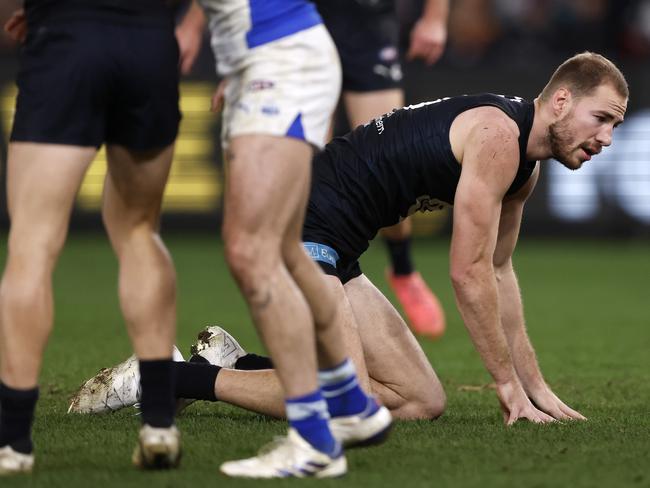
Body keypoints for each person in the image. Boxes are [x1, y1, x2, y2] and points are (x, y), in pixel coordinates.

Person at [70, 52, 627, 431]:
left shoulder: (523, 172)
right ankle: (162, 376)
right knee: (346, 405)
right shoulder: (498, 138)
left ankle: (236, 363)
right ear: (559, 102)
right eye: (600, 118)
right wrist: (505, 387)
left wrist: (535, 387)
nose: (605, 138)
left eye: (615, 127)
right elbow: (468, 272)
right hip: (296, 222)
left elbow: (501, 273)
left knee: (420, 401)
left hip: (338, 246)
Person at [172, 0, 392, 479]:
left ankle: (314, 441)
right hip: (278, 57)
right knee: (286, 251)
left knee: (253, 251)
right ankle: (352, 404)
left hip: (278, 62)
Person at [0, 2, 183, 475]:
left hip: (66, 33)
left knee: (32, 243)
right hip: (148, 38)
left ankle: (13, 441)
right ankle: (159, 423)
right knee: (140, 229)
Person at [315, 0, 449, 339]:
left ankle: (403, 269)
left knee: (389, 164)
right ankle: (322, 273)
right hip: (306, 23)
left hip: (368, 23)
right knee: (309, 170)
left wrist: (435, 17)